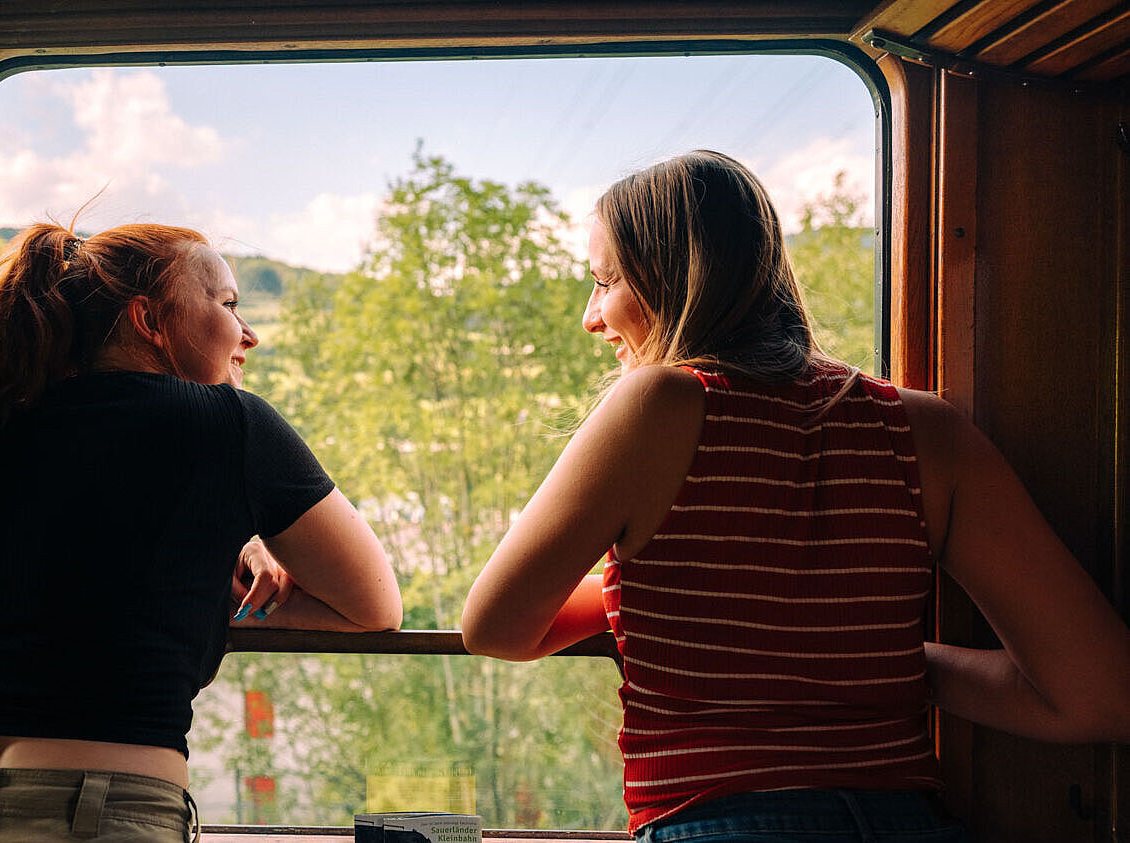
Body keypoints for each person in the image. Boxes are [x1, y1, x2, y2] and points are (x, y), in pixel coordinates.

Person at [460, 150, 1130, 841]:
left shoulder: (656, 405)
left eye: (605, 282)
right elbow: (1099, 696)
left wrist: (631, 595)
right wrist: (877, 660)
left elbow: (495, 625)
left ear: (671, 281)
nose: (590, 317)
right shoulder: (925, 430)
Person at [0, 222, 402, 842]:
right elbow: (375, 604)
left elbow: (72, 580)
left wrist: (222, 553)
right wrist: (236, 575)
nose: (249, 335)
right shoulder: (233, 426)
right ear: (150, 320)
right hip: (93, 811)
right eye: (229, 305)